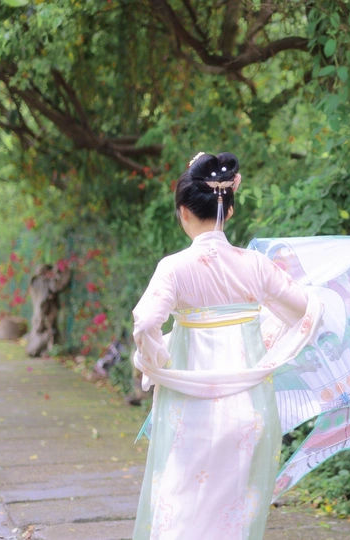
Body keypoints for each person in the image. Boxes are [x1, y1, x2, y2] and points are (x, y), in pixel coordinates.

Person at [131, 151, 323, 539]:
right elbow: (305, 310)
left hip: (191, 406)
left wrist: (154, 359)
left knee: (183, 507)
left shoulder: (174, 268)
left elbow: (147, 322)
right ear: (230, 211)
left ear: (184, 211)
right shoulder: (256, 264)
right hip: (249, 404)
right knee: (234, 515)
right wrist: (266, 335)